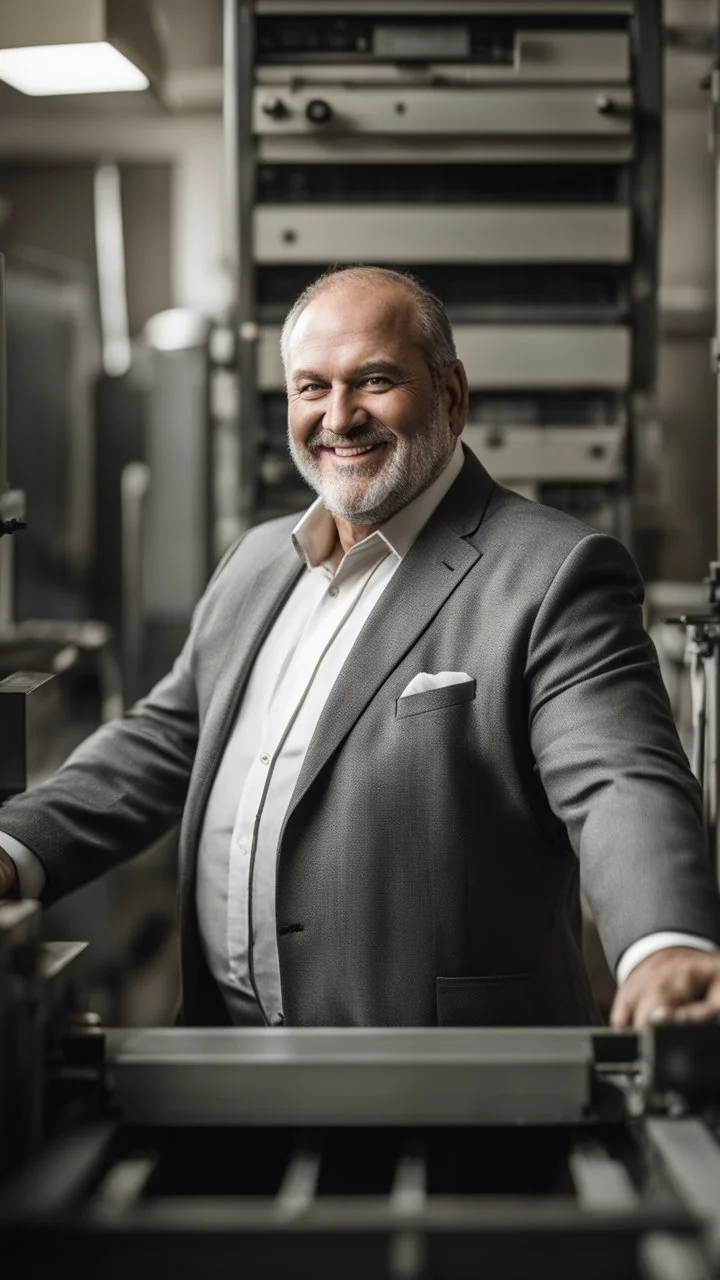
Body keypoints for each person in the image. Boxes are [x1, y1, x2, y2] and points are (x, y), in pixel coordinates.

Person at [1, 264, 720, 1031]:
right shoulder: (255, 561)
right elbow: (167, 737)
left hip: (447, 1088)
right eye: (312, 387)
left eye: (373, 381)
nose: (339, 417)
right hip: (221, 1066)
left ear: (451, 395)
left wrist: (663, 944)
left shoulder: (552, 573)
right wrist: (16, 849)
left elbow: (616, 777)